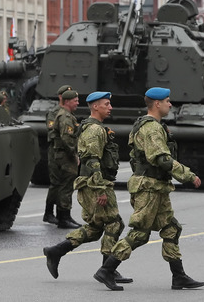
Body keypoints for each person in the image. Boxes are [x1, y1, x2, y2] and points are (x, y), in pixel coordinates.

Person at [94, 87, 204, 291]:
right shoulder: (151, 128)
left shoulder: (150, 125)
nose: (170, 104)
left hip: (157, 187)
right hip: (149, 187)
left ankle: (178, 276)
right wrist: (188, 175)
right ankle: (107, 269)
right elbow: (162, 159)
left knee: (171, 228)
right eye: (167, 101)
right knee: (140, 233)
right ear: (157, 104)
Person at [43, 91, 132, 284]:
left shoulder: (96, 127)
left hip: (93, 183)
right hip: (96, 184)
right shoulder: (94, 130)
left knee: (95, 228)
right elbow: (92, 161)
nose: (110, 108)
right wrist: (100, 189)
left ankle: (56, 251)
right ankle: (106, 270)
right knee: (114, 224)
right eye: (106, 104)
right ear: (95, 106)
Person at [44, 85, 83, 229]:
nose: (78, 103)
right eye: (75, 100)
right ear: (65, 100)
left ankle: (63, 216)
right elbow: (66, 138)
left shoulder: (65, 114)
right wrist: (74, 153)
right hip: (61, 153)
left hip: (61, 152)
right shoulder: (64, 116)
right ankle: (61, 217)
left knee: (63, 185)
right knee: (63, 185)